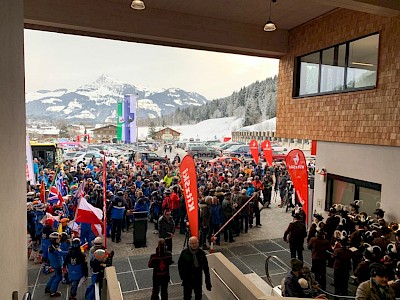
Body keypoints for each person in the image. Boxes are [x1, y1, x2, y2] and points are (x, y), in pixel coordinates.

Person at [45, 232, 68, 297]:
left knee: (55, 276)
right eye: (57, 239)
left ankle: (48, 288)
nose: (59, 240)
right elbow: (61, 253)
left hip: (54, 263)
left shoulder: (52, 246)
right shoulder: (54, 247)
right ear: (53, 240)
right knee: (59, 277)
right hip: (57, 264)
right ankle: (53, 292)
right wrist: (69, 252)